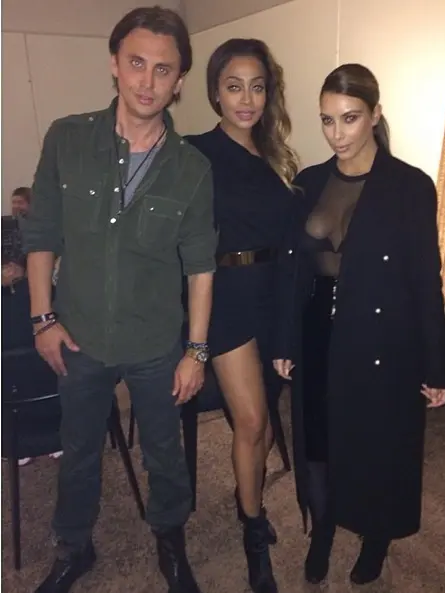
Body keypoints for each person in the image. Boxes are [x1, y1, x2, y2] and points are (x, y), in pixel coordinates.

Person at [23, 7, 216, 593]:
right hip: (78, 336)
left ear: (179, 79)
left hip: (155, 342)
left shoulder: (191, 168)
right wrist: (42, 319)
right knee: (79, 449)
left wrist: (196, 351)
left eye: (163, 69)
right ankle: (73, 547)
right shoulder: (67, 138)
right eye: (136, 63)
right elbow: (42, 236)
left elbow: (200, 267)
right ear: (114, 63)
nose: (147, 82)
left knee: (164, 452)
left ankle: (170, 539)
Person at [274, 63, 445, 586]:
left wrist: (436, 364)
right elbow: (293, 272)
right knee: (319, 444)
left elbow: (426, 278)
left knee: (377, 443)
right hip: (317, 332)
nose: (337, 133)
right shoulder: (309, 182)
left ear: (374, 114)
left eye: (349, 118)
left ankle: (376, 536)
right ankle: (324, 527)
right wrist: (285, 339)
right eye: (327, 120)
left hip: (382, 335)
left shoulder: (409, 186)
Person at [186, 38, 298, 593]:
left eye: (257, 87)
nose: (247, 99)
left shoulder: (277, 156)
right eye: (234, 87)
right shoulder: (193, 152)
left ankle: (245, 493)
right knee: (252, 422)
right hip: (226, 294)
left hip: (274, 296)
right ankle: (253, 529)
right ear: (215, 92)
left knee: (266, 426)